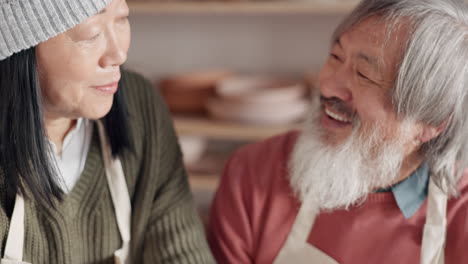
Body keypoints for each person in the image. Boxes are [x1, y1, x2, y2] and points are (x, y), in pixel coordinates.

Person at [208, 0, 468, 263]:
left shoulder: (461, 213)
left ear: (430, 125)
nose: (328, 86)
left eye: (364, 75)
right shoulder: (253, 172)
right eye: (336, 56)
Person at [0, 0, 214, 263]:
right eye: (91, 33)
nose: (118, 54)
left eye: (122, 19)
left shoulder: (140, 107)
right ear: (20, 44)